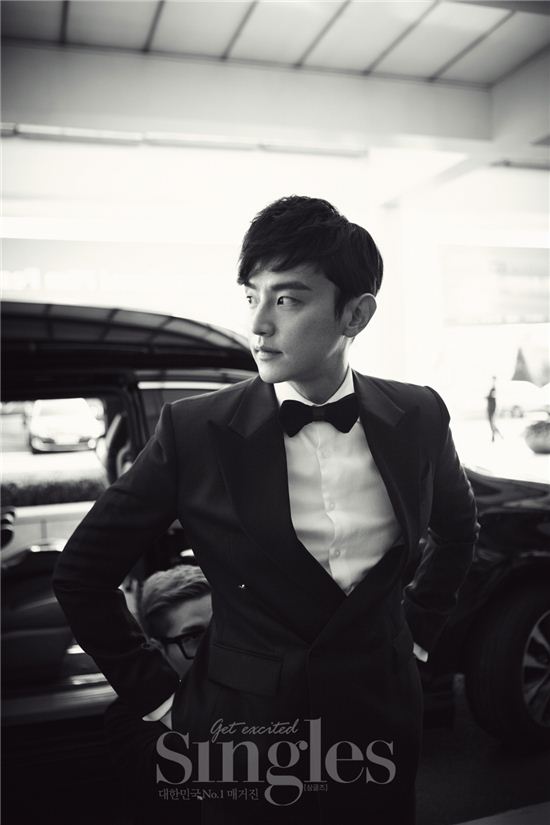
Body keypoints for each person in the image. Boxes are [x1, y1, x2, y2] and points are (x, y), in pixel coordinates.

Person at [54, 195, 479, 824]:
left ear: (355, 314)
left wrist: (415, 635)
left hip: (381, 719)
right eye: (252, 296)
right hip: (241, 733)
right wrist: (161, 699)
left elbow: (458, 531)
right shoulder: (194, 430)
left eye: (287, 300)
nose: (258, 324)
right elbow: (81, 573)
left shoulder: (417, 414)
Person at [104, 565, 212, 824]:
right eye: (194, 636)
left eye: (222, 629)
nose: (216, 647)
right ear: (158, 650)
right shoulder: (130, 719)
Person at [486, 376, 502, 442]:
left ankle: (496, 436)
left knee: (492, 424)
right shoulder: (492, 390)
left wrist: (487, 397)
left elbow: (492, 397)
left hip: (492, 410)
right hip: (490, 409)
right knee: (492, 424)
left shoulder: (493, 390)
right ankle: (496, 436)